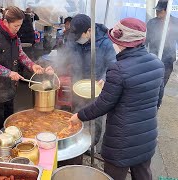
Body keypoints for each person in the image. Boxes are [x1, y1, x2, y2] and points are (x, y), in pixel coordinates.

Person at [69, 18, 165, 180]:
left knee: (113, 176)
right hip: (146, 135)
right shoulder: (157, 63)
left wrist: (79, 116)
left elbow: (102, 105)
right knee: (143, 174)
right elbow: (157, 101)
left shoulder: (118, 69)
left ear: (122, 42)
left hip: (121, 140)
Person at [0, 6, 54, 130]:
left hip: (8, 88)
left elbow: (20, 54)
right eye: (16, 26)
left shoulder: (14, 36)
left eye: (20, 25)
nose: (18, 29)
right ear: (6, 22)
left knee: (9, 123)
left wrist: (32, 65)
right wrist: (8, 72)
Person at [66, 14, 116, 149]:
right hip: (77, 84)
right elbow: (66, 55)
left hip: (96, 86)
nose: (77, 40)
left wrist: (105, 78)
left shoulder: (104, 42)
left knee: (95, 116)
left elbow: (113, 64)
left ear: (89, 31)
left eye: (79, 37)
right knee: (76, 113)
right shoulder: (75, 39)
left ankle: (91, 144)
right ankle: (74, 137)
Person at [146, 0, 178, 86]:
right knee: (151, 80)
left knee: (162, 82)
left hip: (168, 58)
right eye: (156, 10)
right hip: (153, 56)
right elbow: (146, 40)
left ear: (167, 10)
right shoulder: (152, 22)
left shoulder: (176, 23)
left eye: (160, 11)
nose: (157, 12)